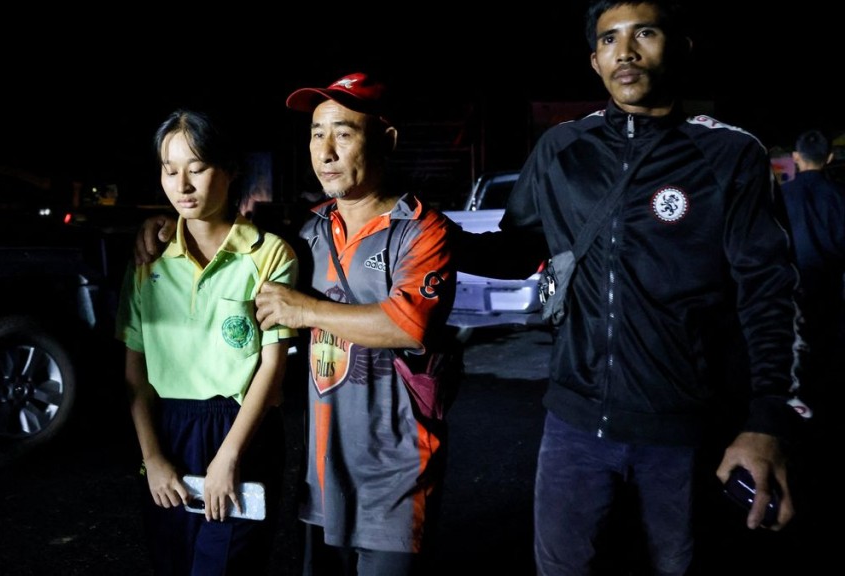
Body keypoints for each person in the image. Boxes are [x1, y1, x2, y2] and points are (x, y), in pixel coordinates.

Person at [455, 1, 803, 573]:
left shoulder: (729, 153)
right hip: (572, 425)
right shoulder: (563, 148)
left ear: (679, 48)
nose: (626, 52)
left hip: (686, 431)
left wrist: (766, 423)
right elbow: (519, 249)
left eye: (645, 33)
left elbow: (769, 293)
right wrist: (424, 229)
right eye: (609, 39)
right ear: (595, 61)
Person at [136, 72, 459, 576]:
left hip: (396, 472)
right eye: (316, 133)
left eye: (343, 134)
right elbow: (221, 231)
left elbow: (408, 324)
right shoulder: (309, 233)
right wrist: (160, 224)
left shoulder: (421, 230)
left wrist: (304, 310)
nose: (325, 151)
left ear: (387, 140)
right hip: (324, 473)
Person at [115, 108, 298, 576]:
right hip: (168, 430)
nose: (182, 185)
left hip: (242, 427)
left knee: (225, 565)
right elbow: (135, 373)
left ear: (231, 169)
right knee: (173, 563)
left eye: (196, 168)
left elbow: (272, 366)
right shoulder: (148, 260)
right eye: (169, 170)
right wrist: (152, 458)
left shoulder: (268, 253)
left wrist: (229, 456)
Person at [780, 129, 845, 427]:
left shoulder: (780, 195)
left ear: (795, 157)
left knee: (793, 345)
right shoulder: (839, 195)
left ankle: (796, 402)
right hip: (829, 285)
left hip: (790, 286)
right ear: (829, 158)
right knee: (827, 346)